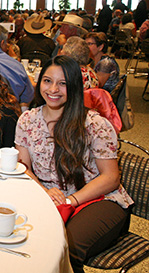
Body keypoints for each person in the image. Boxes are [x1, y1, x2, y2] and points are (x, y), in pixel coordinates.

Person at [15, 56, 133, 273]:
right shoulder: (27, 120)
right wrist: (45, 191)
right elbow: (23, 167)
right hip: (50, 198)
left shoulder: (95, 124)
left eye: (63, 83)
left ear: (75, 87)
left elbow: (111, 178)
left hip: (99, 200)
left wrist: (70, 200)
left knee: (65, 248)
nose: (53, 89)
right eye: (47, 81)